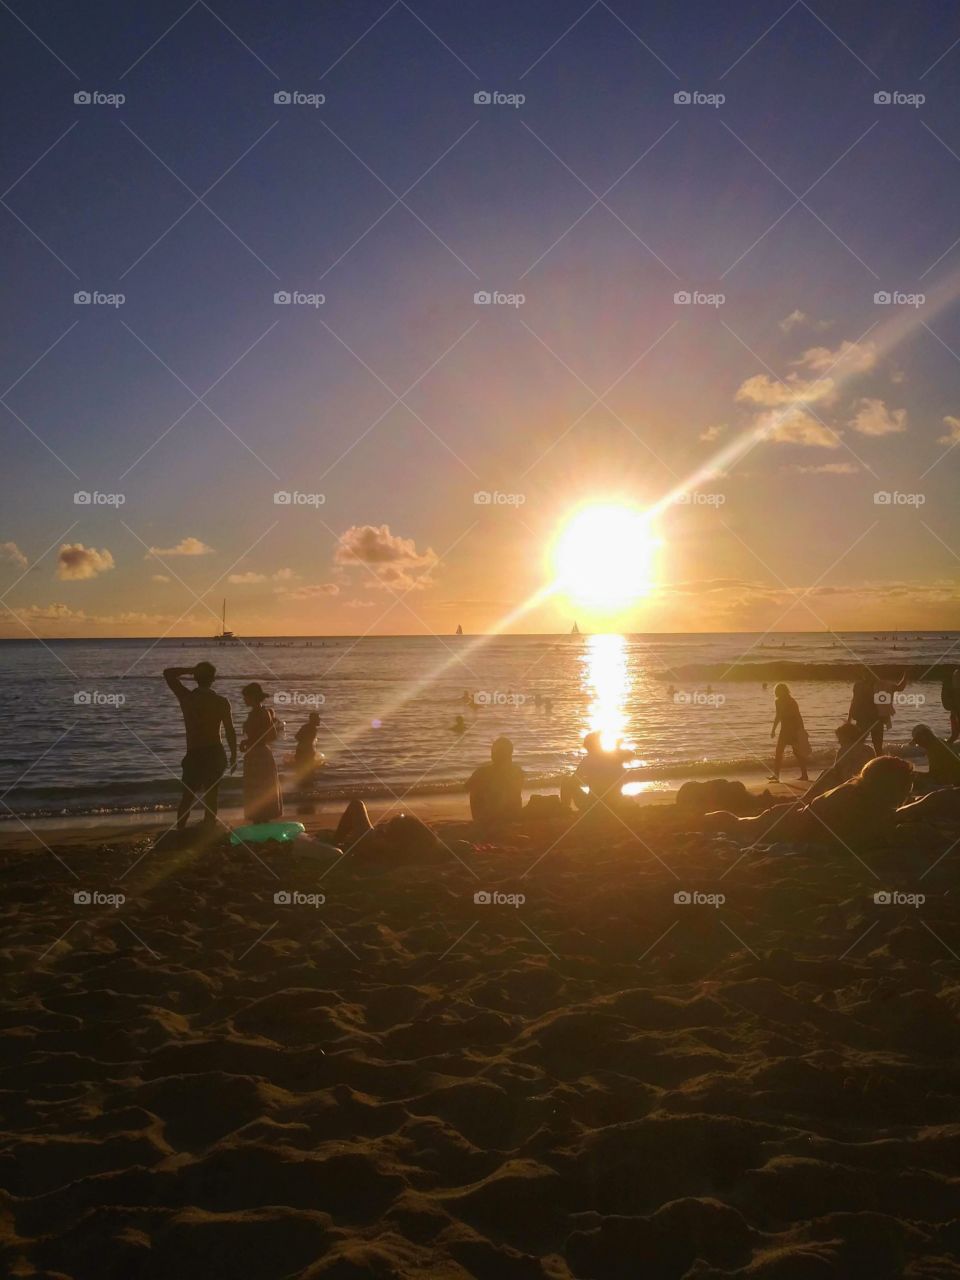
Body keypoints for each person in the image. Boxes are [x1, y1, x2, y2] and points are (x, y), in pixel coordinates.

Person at [704, 756, 913, 850]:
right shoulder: (850, 797)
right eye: (903, 787)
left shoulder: (865, 798)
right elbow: (830, 834)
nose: (906, 792)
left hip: (792, 817)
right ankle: (701, 819)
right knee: (739, 824)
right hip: (786, 821)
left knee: (742, 823)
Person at [164, 662, 236, 832]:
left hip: (195, 752)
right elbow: (230, 730)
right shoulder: (221, 702)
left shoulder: (187, 698)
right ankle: (208, 829)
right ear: (213, 679)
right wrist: (234, 755)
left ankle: (181, 831)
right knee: (211, 795)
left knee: (188, 796)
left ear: (195, 678)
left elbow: (168, 673)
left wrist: (191, 670)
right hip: (215, 752)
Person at [240, 682, 283, 822]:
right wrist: (248, 742)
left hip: (258, 754)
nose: (244, 700)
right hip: (258, 753)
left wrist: (247, 742)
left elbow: (267, 736)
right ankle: (261, 816)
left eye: (246, 697)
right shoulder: (262, 713)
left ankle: (261, 816)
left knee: (259, 786)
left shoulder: (261, 713)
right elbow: (269, 735)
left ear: (252, 697)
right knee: (261, 786)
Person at [802, 722, 875, 802]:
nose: (839, 741)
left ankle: (807, 798)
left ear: (848, 737)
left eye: (840, 738)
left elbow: (837, 769)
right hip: (865, 782)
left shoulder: (844, 749)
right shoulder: (869, 749)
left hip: (849, 783)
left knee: (827, 773)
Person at [561, 731, 631, 810]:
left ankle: (565, 809)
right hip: (615, 801)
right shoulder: (611, 757)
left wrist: (585, 780)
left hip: (594, 805)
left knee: (566, 781)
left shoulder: (588, 760)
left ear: (588, 746)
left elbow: (574, 780)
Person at [468, 736, 524, 825]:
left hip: (486, 818)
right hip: (504, 817)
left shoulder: (481, 772)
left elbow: (467, 787)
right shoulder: (517, 771)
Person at [849, 668, 906, 753]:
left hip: (877, 720)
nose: (868, 676)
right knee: (858, 745)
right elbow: (854, 702)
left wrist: (906, 675)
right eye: (866, 673)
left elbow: (900, 688)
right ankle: (860, 759)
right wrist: (849, 719)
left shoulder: (883, 686)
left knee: (877, 747)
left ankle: (878, 760)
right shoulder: (859, 686)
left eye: (870, 674)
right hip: (863, 720)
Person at [770, 683, 809, 782]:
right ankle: (776, 775)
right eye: (777, 691)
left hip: (794, 730)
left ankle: (804, 775)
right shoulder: (777, 702)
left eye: (780, 691)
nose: (778, 692)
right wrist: (773, 729)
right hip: (784, 730)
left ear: (785, 691)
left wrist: (801, 730)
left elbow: (798, 716)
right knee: (778, 752)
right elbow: (778, 716)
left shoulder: (792, 701)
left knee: (797, 753)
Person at [293, 712, 323, 786]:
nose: (320, 719)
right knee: (308, 775)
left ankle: (302, 788)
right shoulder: (313, 729)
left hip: (300, 751)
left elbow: (297, 737)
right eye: (318, 718)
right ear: (313, 719)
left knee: (301, 774)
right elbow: (309, 742)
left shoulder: (305, 727)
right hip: (306, 753)